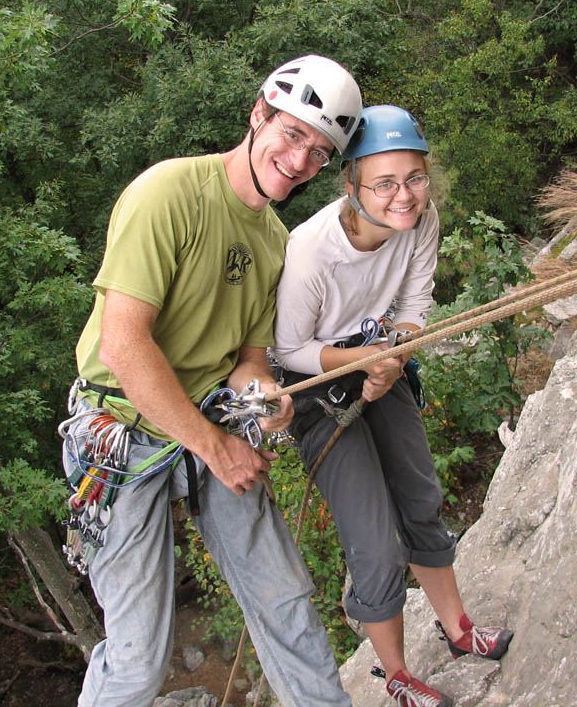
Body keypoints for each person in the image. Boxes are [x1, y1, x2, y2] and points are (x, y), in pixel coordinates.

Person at [60, 54, 362, 707]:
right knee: (139, 661)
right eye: (291, 135)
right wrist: (217, 445)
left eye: (318, 152)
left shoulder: (275, 244)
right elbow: (123, 344)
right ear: (257, 115)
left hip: (208, 418)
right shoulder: (167, 194)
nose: (300, 161)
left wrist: (263, 400)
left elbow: (247, 357)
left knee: (286, 603)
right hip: (123, 428)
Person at [273, 105, 513, 707]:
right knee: (373, 542)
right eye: (384, 182)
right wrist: (360, 365)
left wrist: (396, 356)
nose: (403, 195)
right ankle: (398, 675)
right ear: (350, 184)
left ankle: (458, 630)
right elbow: (289, 348)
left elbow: (415, 300)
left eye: (414, 177)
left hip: (382, 363)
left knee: (421, 499)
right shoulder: (311, 251)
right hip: (317, 391)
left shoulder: (421, 220)